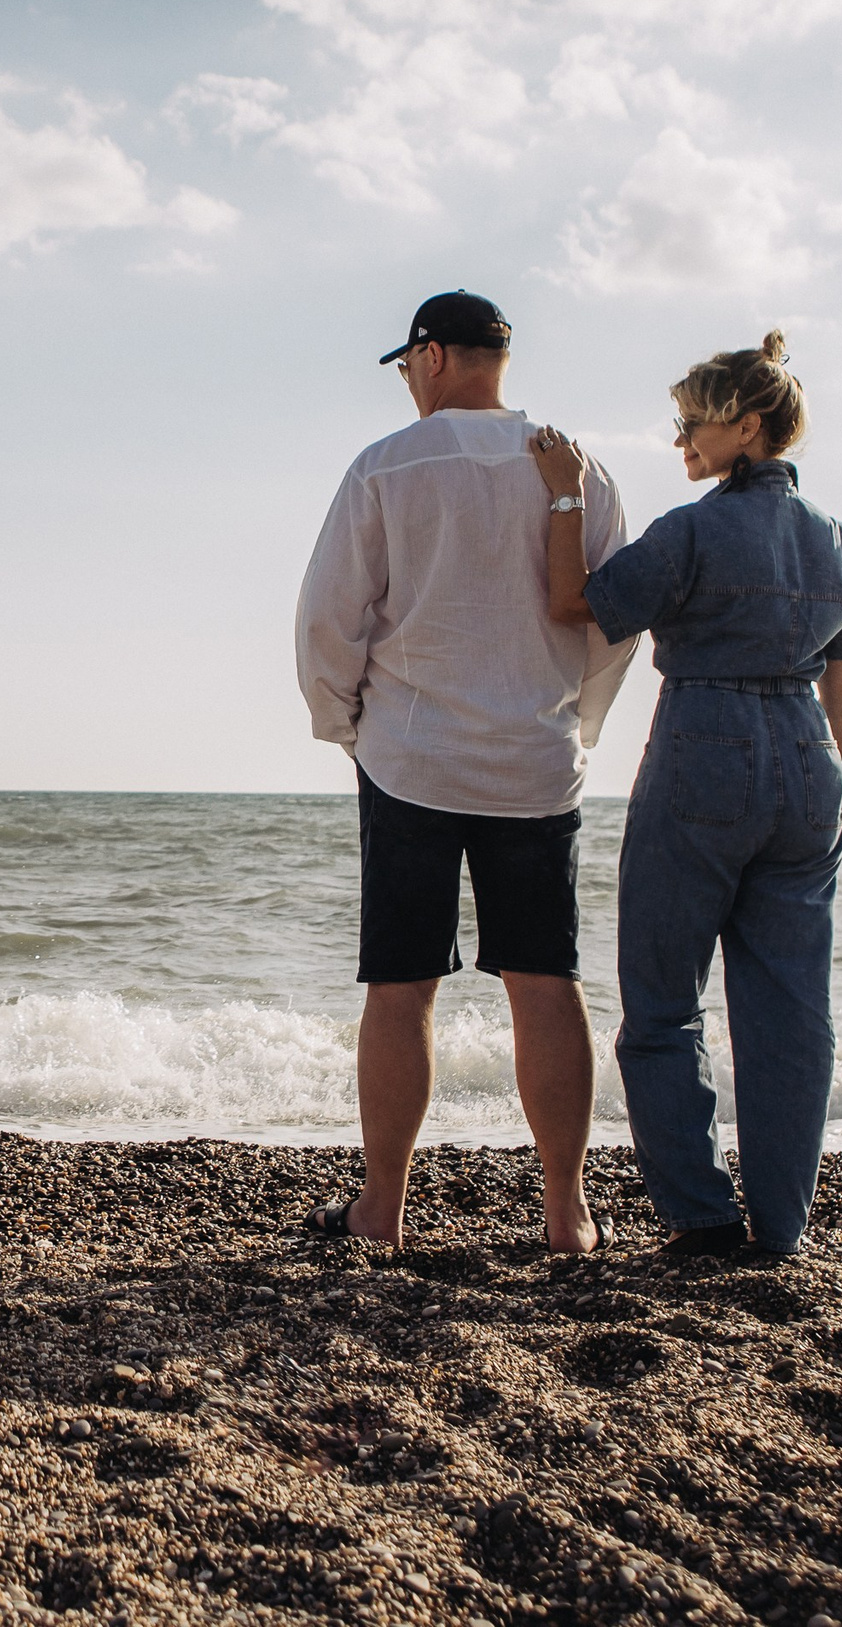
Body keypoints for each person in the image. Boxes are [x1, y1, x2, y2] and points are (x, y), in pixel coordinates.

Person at [294, 291, 638, 1252]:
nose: (407, 380)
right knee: (545, 978)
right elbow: (615, 611)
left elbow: (331, 616)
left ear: (433, 354)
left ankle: (383, 1209)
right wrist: (577, 719)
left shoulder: (386, 468)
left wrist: (345, 725)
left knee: (401, 986)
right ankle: (567, 1214)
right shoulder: (576, 465)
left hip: (411, 755)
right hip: (535, 761)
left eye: (407, 364)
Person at [532, 332, 842, 1257]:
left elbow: (577, 602)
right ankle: (783, 1226)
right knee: (791, 1010)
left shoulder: (690, 532)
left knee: (663, 1002)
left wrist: (565, 492)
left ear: (748, 426)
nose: (680, 439)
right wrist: (816, 776)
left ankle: (703, 1214)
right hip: (810, 757)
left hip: (704, 743)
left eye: (693, 422)